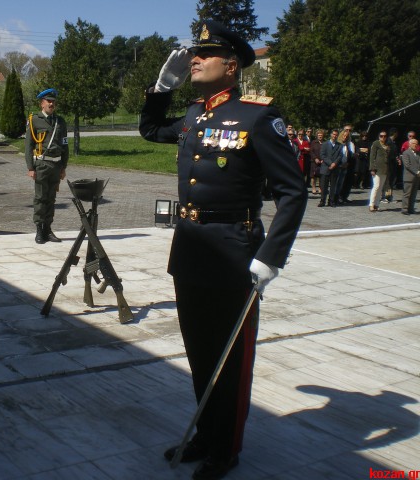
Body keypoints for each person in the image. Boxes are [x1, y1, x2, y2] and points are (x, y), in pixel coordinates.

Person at [139, 20, 307, 480]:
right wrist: (161, 86)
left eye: (204, 55)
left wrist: (272, 255)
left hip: (236, 253)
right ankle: (206, 435)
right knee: (199, 354)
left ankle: (226, 450)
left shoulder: (257, 117)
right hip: (191, 248)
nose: (194, 59)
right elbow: (151, 130)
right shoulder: (195, 115)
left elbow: (293, 191)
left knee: (229, 359)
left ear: (231, 66)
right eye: (195, 54)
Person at [25, 88, 68, 244]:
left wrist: (63, 167)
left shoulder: (60, 121)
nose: (51, 103)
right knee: (40, 198)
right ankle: (39, 229)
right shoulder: (34, 120)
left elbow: (65, 145)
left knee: (51, 198)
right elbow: (28, 146)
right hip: (42, 164)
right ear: (41, 103)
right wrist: (31, 168)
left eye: (53, 101)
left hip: (56, 165)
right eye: (48, 101)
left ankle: (48, 229)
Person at [319, 129, 343, 207]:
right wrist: (330, 163)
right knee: (324, 186)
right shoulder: (325, 144)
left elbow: (340, 156)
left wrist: (335, 163)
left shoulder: (339, 145)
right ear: (331, 135)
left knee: (333, 186)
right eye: (333, 134)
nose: (334, 136)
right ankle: (322, 201)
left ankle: (331, 201)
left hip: (335, 168)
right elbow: (322, 155)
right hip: (326, 167)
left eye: (336, 135)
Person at [369, 130, 390, 212]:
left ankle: (377, 204)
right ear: (379, 136)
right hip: (377, 168)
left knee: (381, 187)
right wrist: (372, 168)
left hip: (384, 168)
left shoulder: (387, 145)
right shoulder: (376, 143)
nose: (383, 137)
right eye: (381, 136)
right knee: (376, 186)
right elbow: (372, 156)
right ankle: (371, 204)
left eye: (385, 136)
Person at [401, 138, 420, 215]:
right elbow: (407, 165)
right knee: (407, 194)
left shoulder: (418, 153)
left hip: (417, 177)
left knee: (414, 194)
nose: (415, 145)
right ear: (409, 144)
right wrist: (417, 171)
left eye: (416, 144)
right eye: (413, 143)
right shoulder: (406, 153)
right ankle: (404, 209)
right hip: (409, 177)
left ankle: (411, 208)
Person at [309, 129, 325, 194]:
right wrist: (315, 158)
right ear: (317, 136)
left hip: (323, 162)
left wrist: (323, 159)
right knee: (313, 176)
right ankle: (313, 188)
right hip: (314, 161)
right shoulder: (313, 142)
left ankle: (321, 188)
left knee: (321, 176)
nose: (320, 136)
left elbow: (327, 152)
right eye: (319, 135)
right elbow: (311, 151)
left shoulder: (325, 143)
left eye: (321, 135)